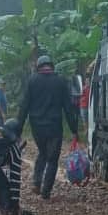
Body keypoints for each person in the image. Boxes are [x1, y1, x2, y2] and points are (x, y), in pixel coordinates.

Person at [17, 56, 78, 199]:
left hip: (36, 126)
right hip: (54, 126)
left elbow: (24, 106)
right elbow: (68, 108)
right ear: (52, 66)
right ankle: (46, 191)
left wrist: (18, 129)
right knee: (52, 159)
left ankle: (36, 182)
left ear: (38, 66)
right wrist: (74, 130)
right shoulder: (60, 81)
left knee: (42, 153)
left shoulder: (32, 81)